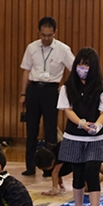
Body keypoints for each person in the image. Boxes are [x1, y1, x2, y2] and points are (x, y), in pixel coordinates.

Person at [57, 47, 103, 206]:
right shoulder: (68, 87)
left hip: (96, 139)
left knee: (92, 172)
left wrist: (96, 126)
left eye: (86, 65)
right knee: (78, 174)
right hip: (74, 136)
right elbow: (67, 109)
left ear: (93, 67)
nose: (82, 68)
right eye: (79, 64)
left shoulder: (102, 88)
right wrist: (81, 122)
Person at [20, 16, 75, 176]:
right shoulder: (31, 48)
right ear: (39, 32)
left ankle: (49, 168)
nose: (46, 38)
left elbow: (74, 70)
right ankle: (30, 166)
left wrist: (65, 87)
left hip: (52, 90)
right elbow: (26, 70)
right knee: (31, 129)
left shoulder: (63, 49)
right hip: (34, 89)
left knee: (50, 130)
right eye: (43, 35)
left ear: (55, 33)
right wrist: (23, 93)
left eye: (49, 35)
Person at [34, 143, 103, 196]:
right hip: (76, 162)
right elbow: (56, 174)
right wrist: (60, 185)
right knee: (85, 188)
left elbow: (56, 172)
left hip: (83, 151)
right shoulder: (44, 161)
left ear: (53, 160)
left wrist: (54, 189)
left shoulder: (61, 151)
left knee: (94, 163)